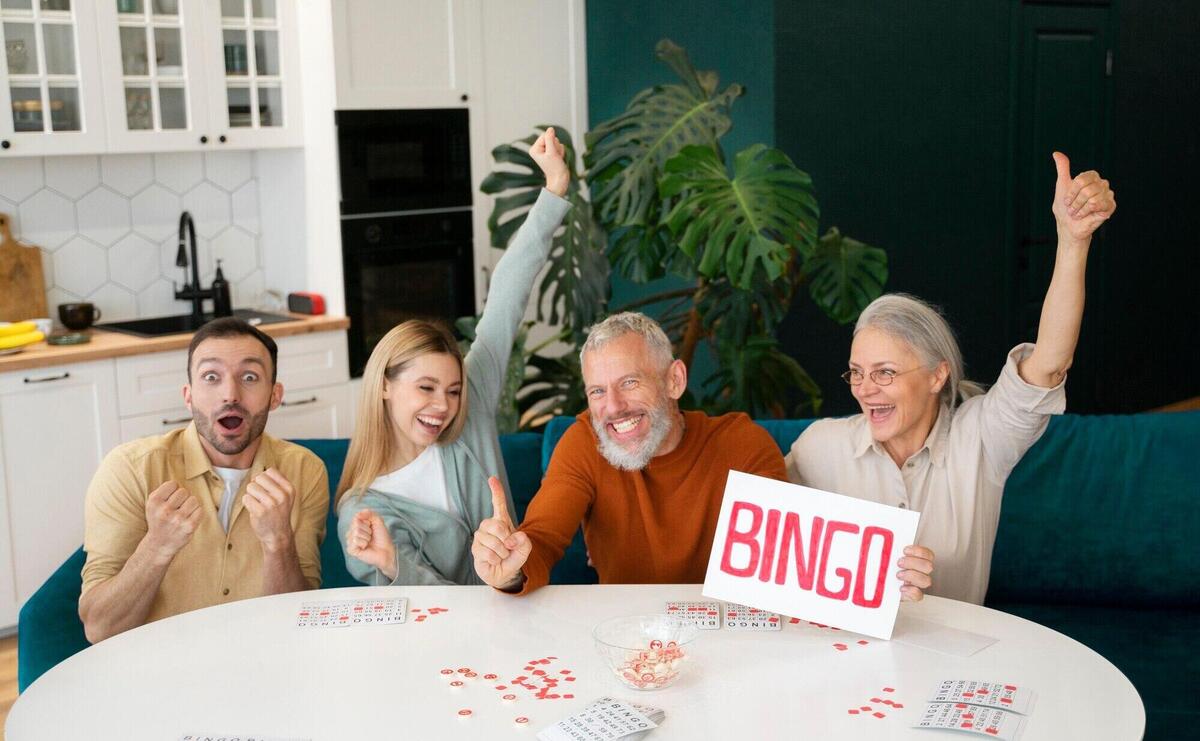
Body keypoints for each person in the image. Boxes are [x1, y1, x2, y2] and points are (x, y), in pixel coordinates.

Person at [786, 153, 1116, 605]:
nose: (864, 389)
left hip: (953, 662)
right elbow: (767, 552)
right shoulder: (818, 448)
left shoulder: (981, 437)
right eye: (857, 373)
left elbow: (1049, 365)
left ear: (938, 374)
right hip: (845, 658)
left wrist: (1073, 241)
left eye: (885, 373)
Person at [471, 312, 937, 599]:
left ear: (675, 380)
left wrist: (888, 575)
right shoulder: (583, 443)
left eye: (630, 382)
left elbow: (794, 556)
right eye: (598, 391)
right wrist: (508, 570)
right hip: (630, 645)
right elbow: (541, 541)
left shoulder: (741, 443)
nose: (612, 407)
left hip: (734, 641)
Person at [335, 128, 571, 585]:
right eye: (425, 388)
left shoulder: (470, 410)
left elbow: (506, 298)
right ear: (384, 384)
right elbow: (426, 618)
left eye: (454, 390)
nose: (443, 406)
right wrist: (393, 566)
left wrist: (554, 192)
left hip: (521, 613)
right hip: (441, 645)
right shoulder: (364, 511)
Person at [79, 318, 330, 642]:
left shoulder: (305, 472)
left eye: (250, 377)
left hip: (265, 665)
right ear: (189, 395)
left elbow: (299, 623)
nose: (230, 394)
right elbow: (100, 629)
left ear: (274, 395)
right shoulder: (130, 469)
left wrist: (278, 542)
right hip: (155, 674)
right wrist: (157, 547)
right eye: (211, 377)